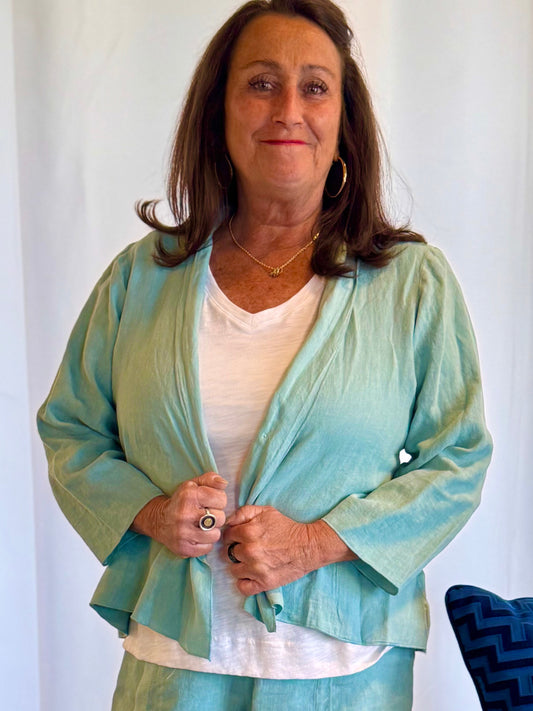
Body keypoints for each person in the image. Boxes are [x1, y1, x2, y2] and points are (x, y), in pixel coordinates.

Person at [37, 0, 493, 708]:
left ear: (343, 122)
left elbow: (456, 460)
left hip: (345, 672)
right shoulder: (141, 277)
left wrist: (315, 543)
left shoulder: (410, 283)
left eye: (315, 87)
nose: (288, 109)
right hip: (172, 668)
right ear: (218, 113)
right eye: (260, 83)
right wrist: (151, 513)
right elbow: (72, 429)